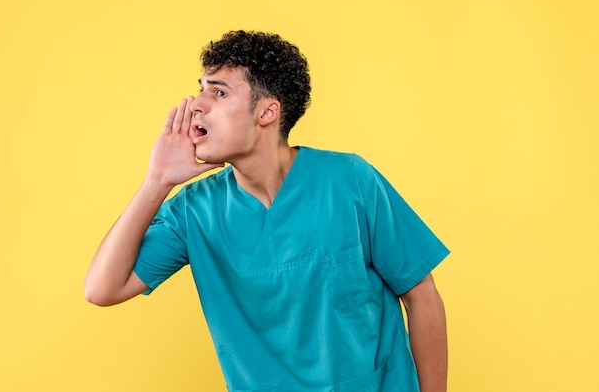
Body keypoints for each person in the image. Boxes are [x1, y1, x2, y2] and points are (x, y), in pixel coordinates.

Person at [85, 30, 449, 392]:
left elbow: (420, 294)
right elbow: (102, 289)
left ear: (267, 112)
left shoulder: (350, 180)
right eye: (201, 89)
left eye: (219, 91)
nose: (196, 103)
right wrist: (157, 181)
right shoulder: (193, 211)